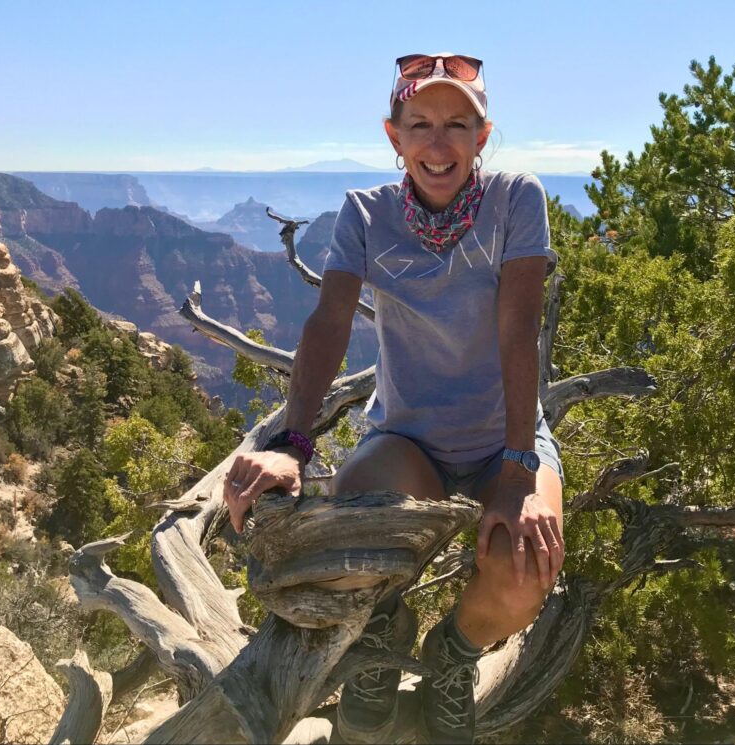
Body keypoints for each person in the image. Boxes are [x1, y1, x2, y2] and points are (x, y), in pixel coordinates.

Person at [224, 52, 566, 745]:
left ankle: (453, 655)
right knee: (347, 543)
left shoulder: (515, 198)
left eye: (457, 125)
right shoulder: (364, 213)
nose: (439, 144)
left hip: (506, 436)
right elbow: (329, 321)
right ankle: (381, 634)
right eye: (420, 124)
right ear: (394, 136)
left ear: (483, 135)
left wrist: (516, 470)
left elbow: (518, 329)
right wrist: (292, 444)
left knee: (527, 567)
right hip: (408, 439)